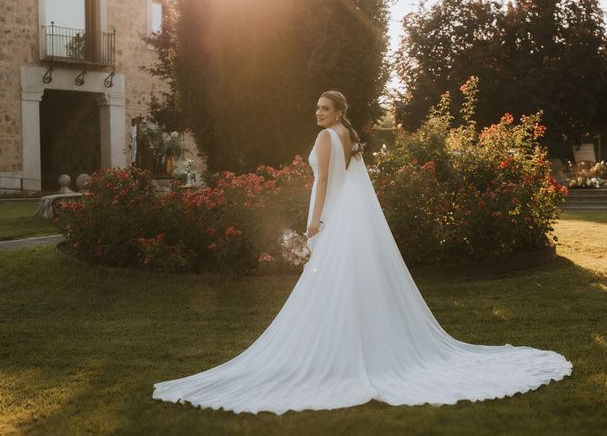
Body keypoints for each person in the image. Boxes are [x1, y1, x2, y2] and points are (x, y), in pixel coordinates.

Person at [152, 90, 572, 415]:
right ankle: (355, 348)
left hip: (334, 216)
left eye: (324, 108)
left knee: (334, 285)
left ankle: (338, 357)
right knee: (351, 283)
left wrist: (313, 221)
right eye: (317, 108)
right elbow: (349, 177)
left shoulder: (324, 137)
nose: (318, 113)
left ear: (337, 112)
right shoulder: (348, 135)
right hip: (352, 217)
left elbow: (320, 183)